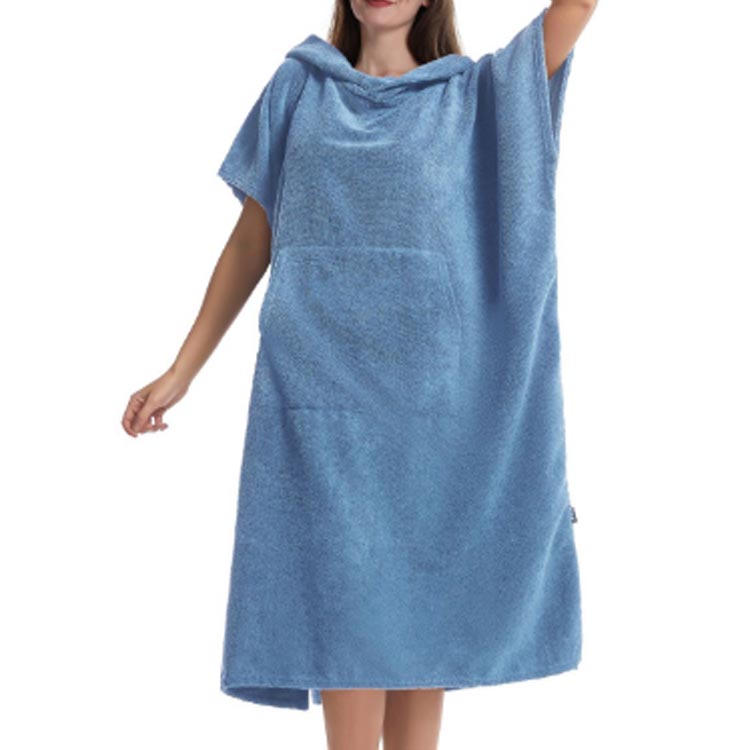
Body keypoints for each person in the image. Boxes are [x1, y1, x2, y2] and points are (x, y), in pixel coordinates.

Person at [121, 1, 597, 748]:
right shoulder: (299, 87)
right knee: (346, 638)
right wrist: (183, 369)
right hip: (320, 414)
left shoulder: (476, 97)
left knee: (421, 640)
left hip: (435, 425)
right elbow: (252, 240)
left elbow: (577, 8)